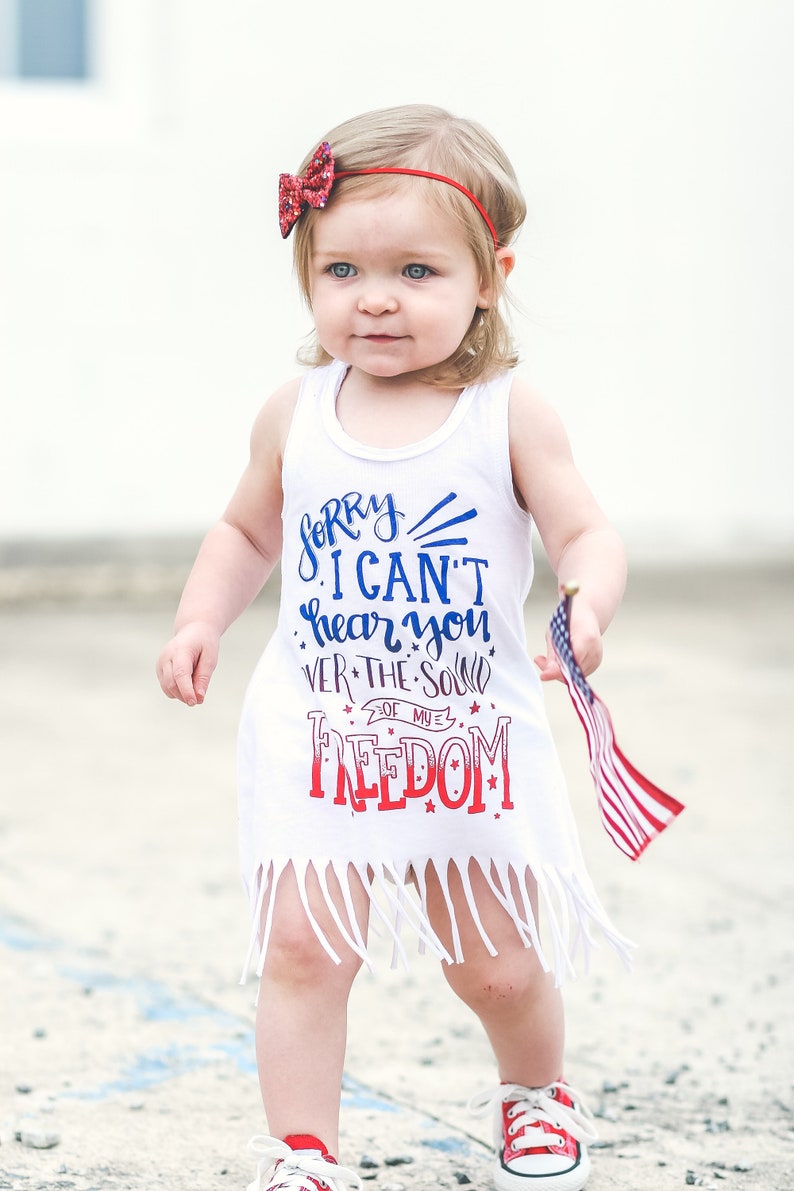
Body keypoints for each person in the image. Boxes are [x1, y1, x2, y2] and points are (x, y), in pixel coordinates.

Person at [157, 104, 631, 1191]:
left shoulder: (504, 415)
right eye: (341, 271)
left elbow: (582, 532)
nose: (373, 298)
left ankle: (534, 1093)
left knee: (498, 969)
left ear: (488, 277)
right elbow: (244, 530)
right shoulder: (295, 413)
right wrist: (199, 618)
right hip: (319, 736)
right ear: (308, 277)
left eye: (415, 270)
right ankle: (305, 1150)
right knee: (302, 952)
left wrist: (585, 604)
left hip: (460, 745)